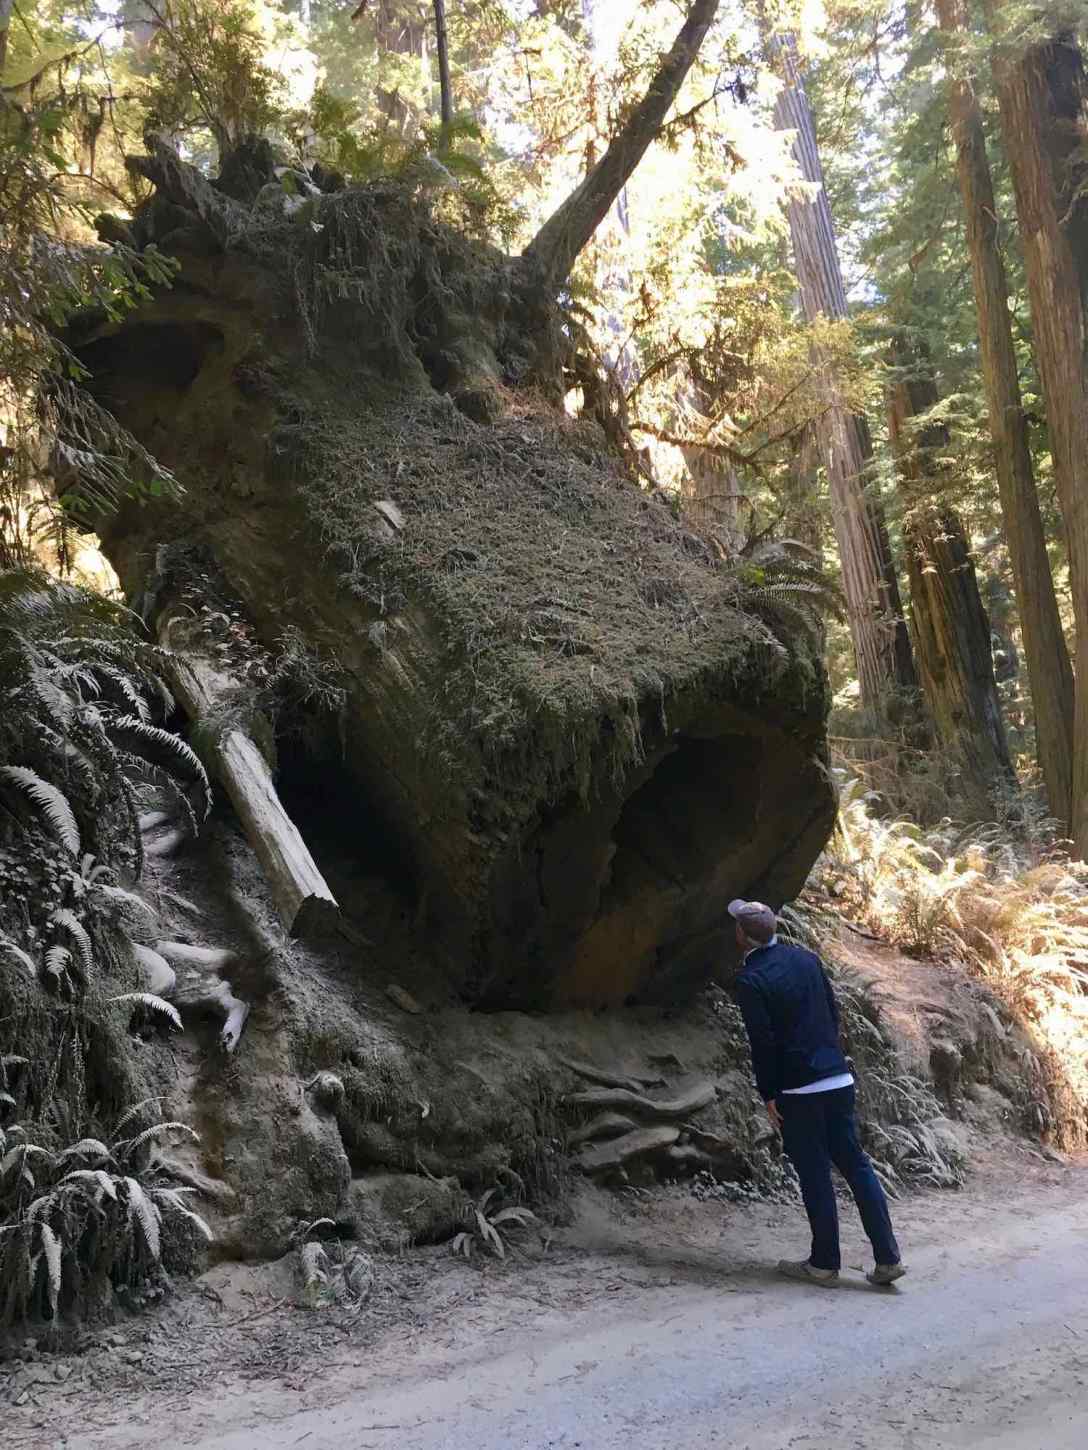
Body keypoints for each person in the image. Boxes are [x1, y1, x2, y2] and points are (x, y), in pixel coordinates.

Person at [728, 898, 905, 1288]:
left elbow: (763, 1042)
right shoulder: (806, 959)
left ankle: (824, 1263)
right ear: (773, 929)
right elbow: (832, 1010)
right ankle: (888, 1258)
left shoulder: (750, 980)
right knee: (856, 1165)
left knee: (814, 1173)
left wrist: (769, 1093)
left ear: (742, 935)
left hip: (798, 1089)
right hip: (837, 1078)